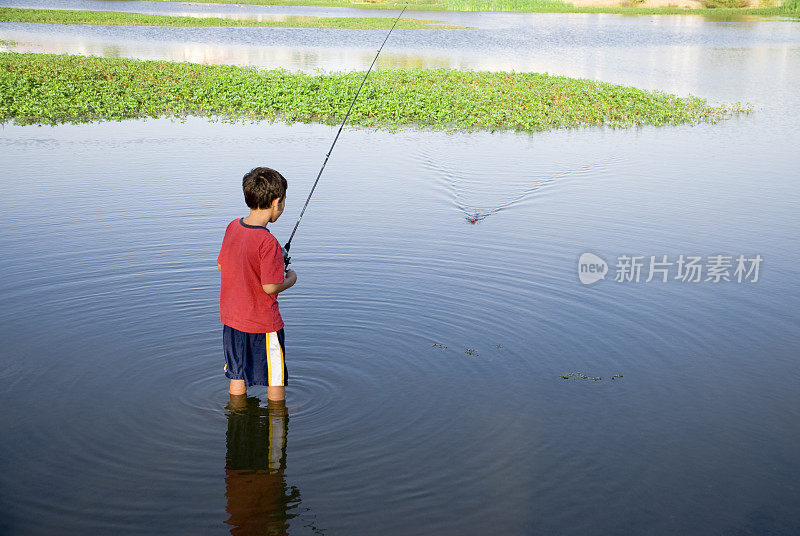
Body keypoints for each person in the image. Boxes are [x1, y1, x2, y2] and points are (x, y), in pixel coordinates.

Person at [217, 167, 297, 401]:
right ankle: (278, 415)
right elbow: (270, 286)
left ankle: (236, 414)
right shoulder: (268, 241)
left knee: (237, 374)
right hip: (263, 323)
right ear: (276, 202)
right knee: (275, 378)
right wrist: (290, 278)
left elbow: (222, 265)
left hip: (232, 321)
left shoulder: (233, 226)